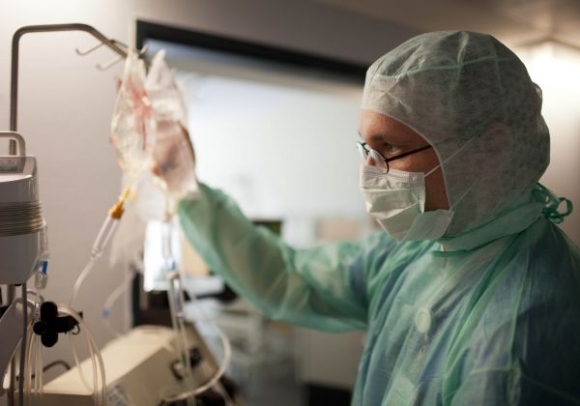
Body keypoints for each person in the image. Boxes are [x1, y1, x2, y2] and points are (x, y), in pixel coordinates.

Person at [157, 31, 580, 405]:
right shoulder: (419, 250)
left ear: (490, 149)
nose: (369, 173)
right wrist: (181, 178)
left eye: (390, 148)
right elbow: (289, 276)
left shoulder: (526, 326)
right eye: (367, 149)